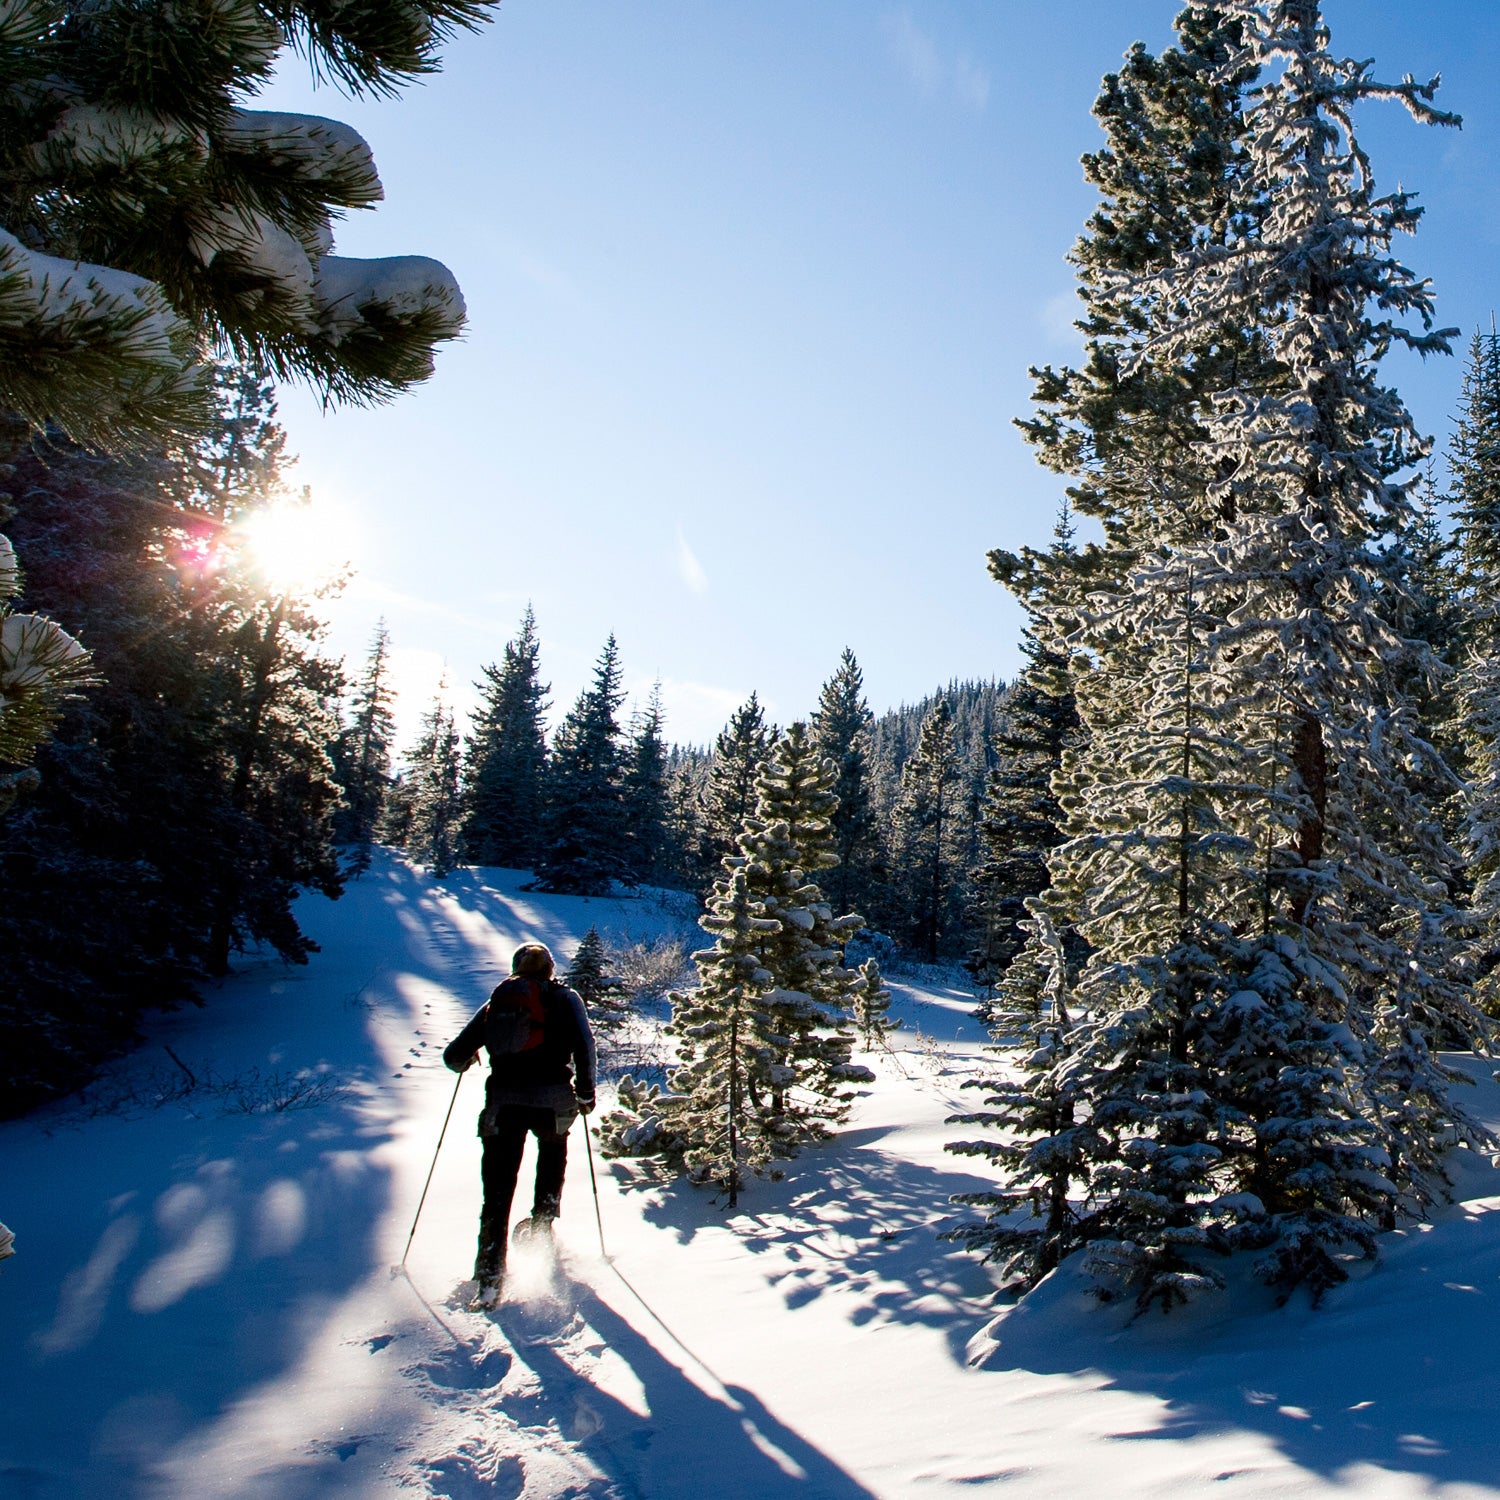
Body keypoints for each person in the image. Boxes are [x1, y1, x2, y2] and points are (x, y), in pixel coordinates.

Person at [443, 941, 597, 1307]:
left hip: (503, 1102)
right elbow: (585, 1045)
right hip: (552, 1101)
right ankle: (541, 1226)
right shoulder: (566, 998)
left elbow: (453, 1056)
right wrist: (586, 1093)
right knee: (552, 1156)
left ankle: (489, 1276)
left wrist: (470, 1060)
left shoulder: (498, 1001)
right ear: (550, 969)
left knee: (496, 1191)